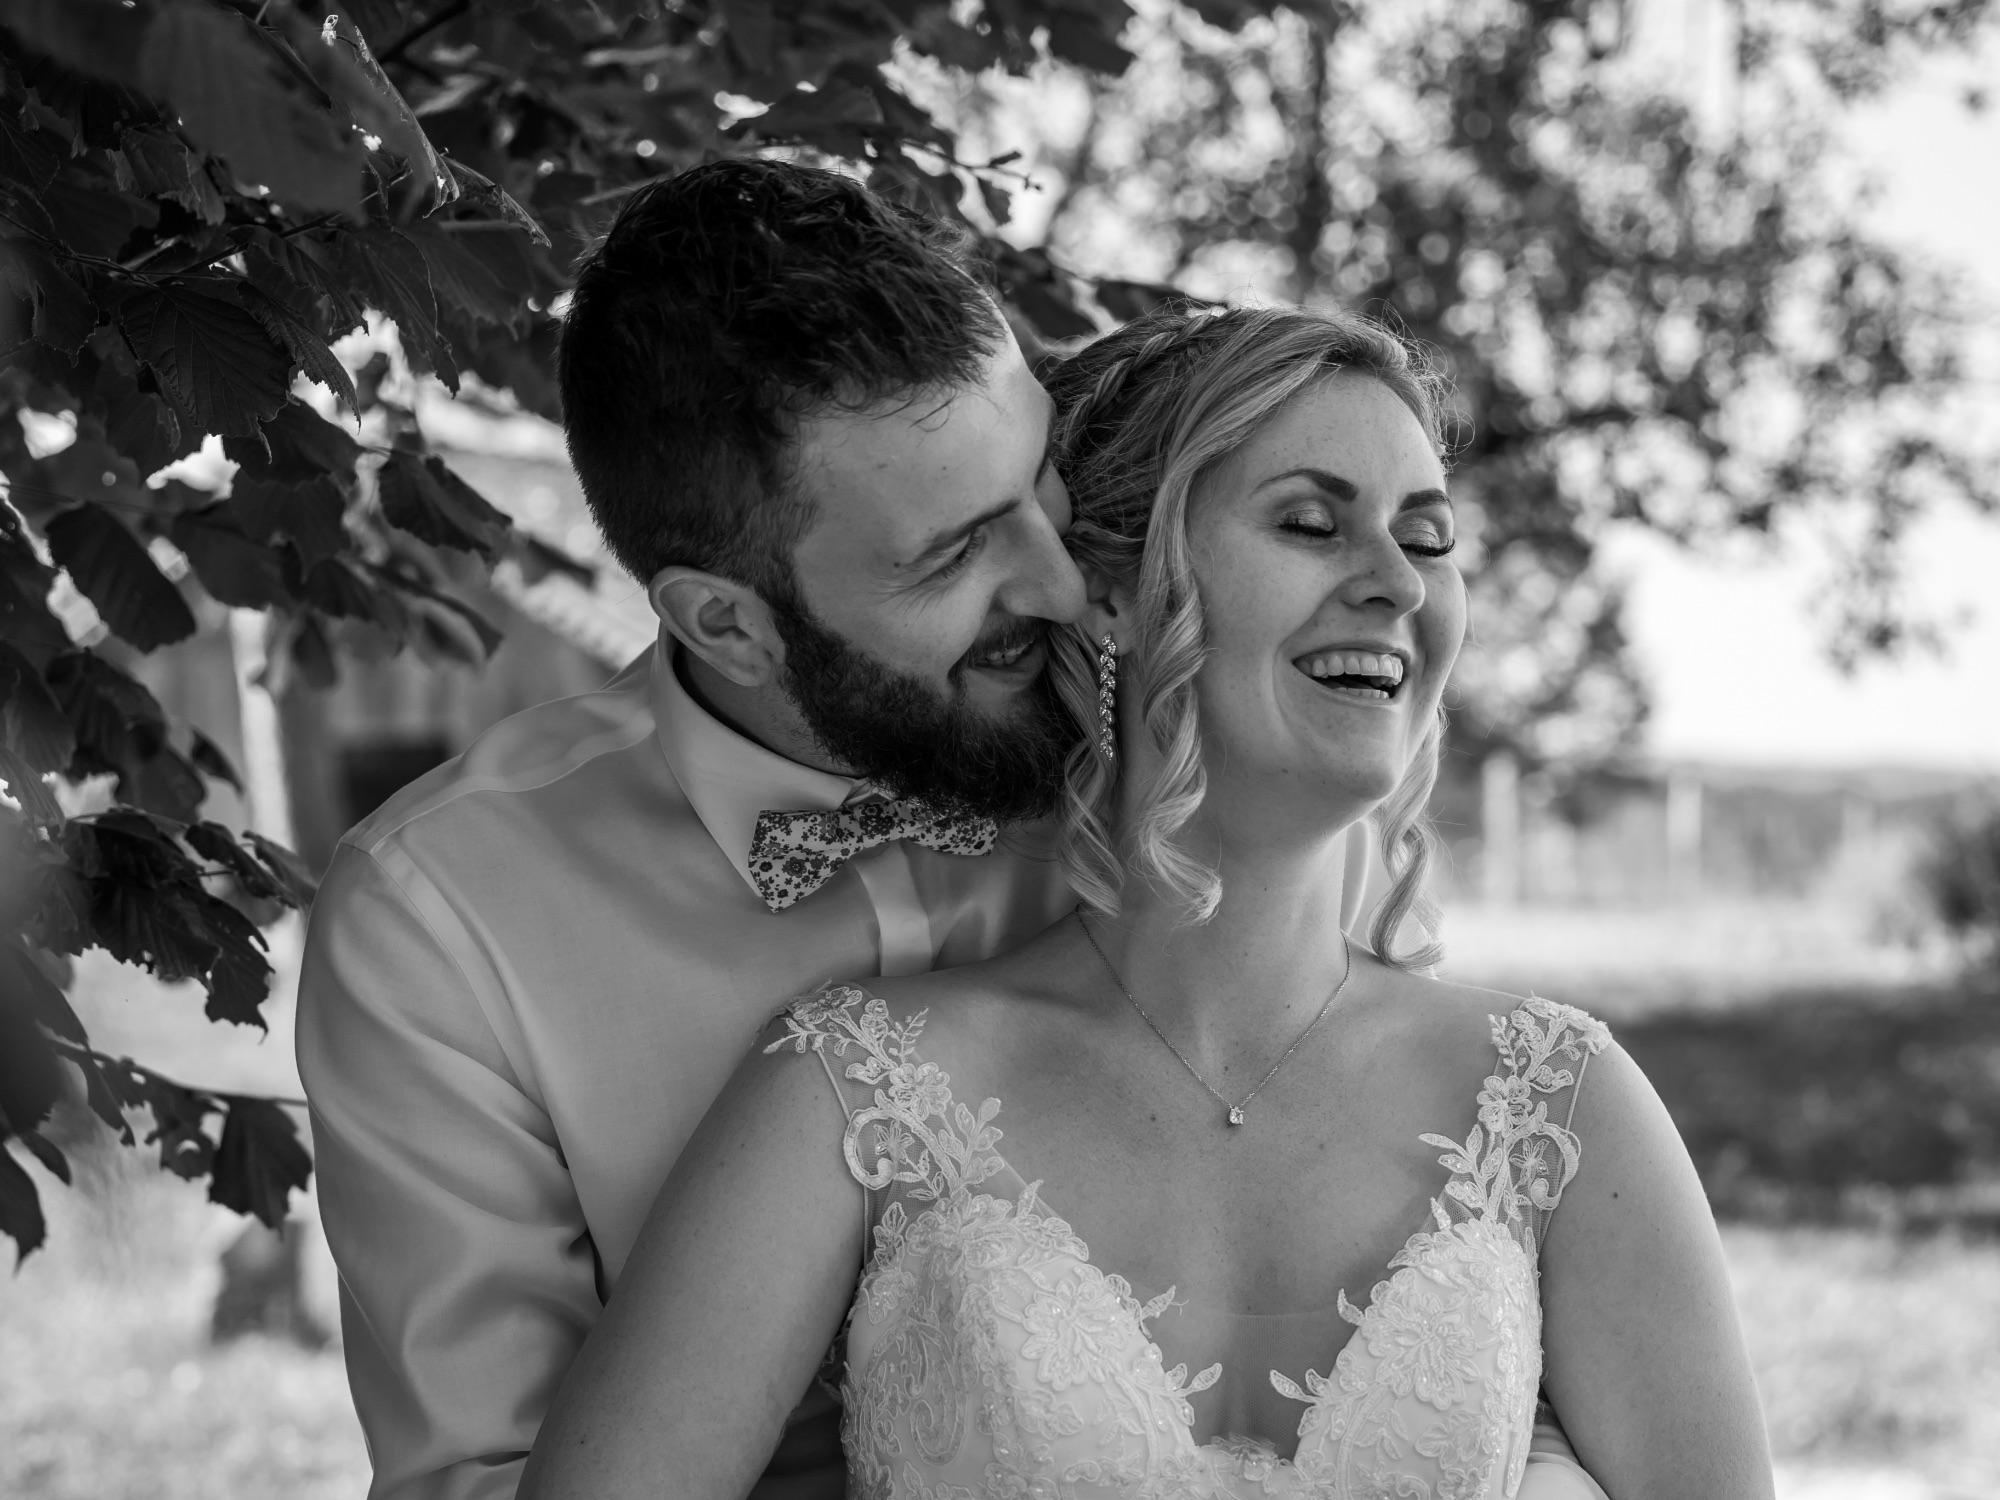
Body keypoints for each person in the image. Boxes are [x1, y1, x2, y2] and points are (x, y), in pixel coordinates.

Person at [517, 305, 1776, 1500]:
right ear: (1105, 590)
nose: (1395, 580)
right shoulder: (852, 1092)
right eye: (1308, 523)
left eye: (1427, 535)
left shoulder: (1557, 1104)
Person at [295, 159, 1102, 1500]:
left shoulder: (1151, 758)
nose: (1062, 581)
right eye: (954, 557)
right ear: (725, 621)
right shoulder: (440, 918)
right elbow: (489, 1477)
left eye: (1041, 482)